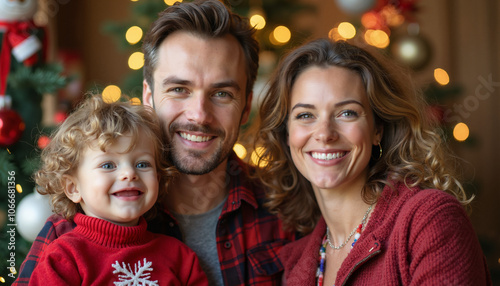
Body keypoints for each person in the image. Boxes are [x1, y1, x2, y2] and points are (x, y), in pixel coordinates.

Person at [15, 1, 294, 285]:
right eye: (178, 89)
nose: (199, 115)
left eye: (221, 93)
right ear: (148, 96)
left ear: (246, 106)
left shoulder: (282, 210)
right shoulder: (66, 235)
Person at [253, 38, 492, 285]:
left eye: (347, 113)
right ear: (286, 134)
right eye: (305, 115)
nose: (324, 134)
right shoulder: (296, 262)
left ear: (377, 128)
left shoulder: (429, 221)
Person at [28, 95, 208, 285]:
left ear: (158, 178)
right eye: (108, 165)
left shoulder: (180, 258)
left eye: (142, 163)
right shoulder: (64, 258)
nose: (129, 173)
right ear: (73, 188)